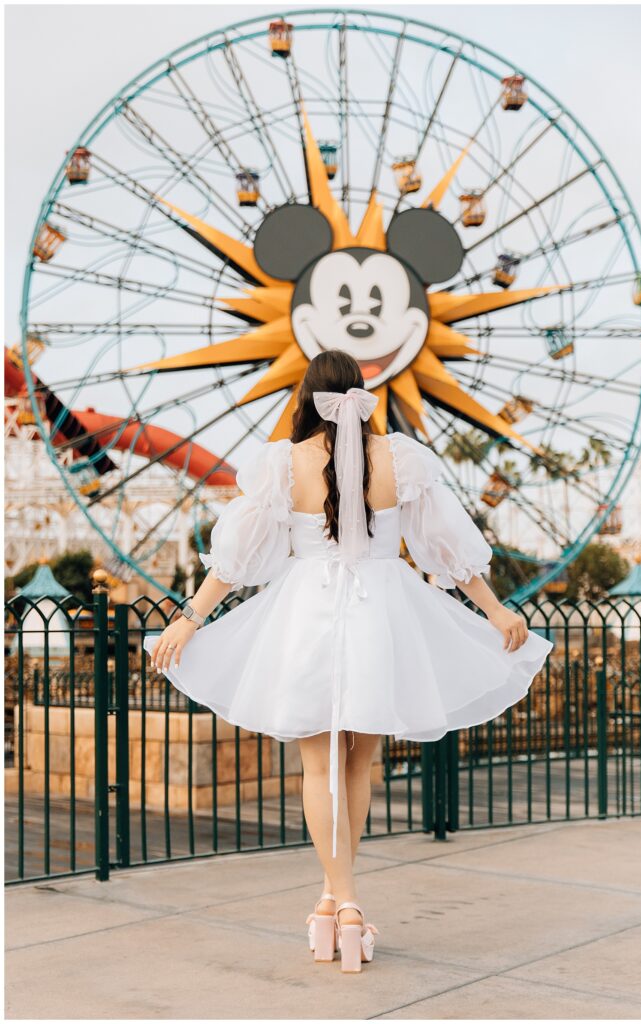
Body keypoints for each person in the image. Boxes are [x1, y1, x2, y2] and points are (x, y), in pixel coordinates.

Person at [144, 349, 553, 973]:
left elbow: (236, 559)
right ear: (362, 394)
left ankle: (342, 902)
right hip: (383, 612)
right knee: (358, 767)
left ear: (306, 396)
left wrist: (191, 617)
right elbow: (447, 547)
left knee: (318, 769)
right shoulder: (401, 459)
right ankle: (341, 901)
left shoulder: (283, 462)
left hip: (307, 612)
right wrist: (496, 612)